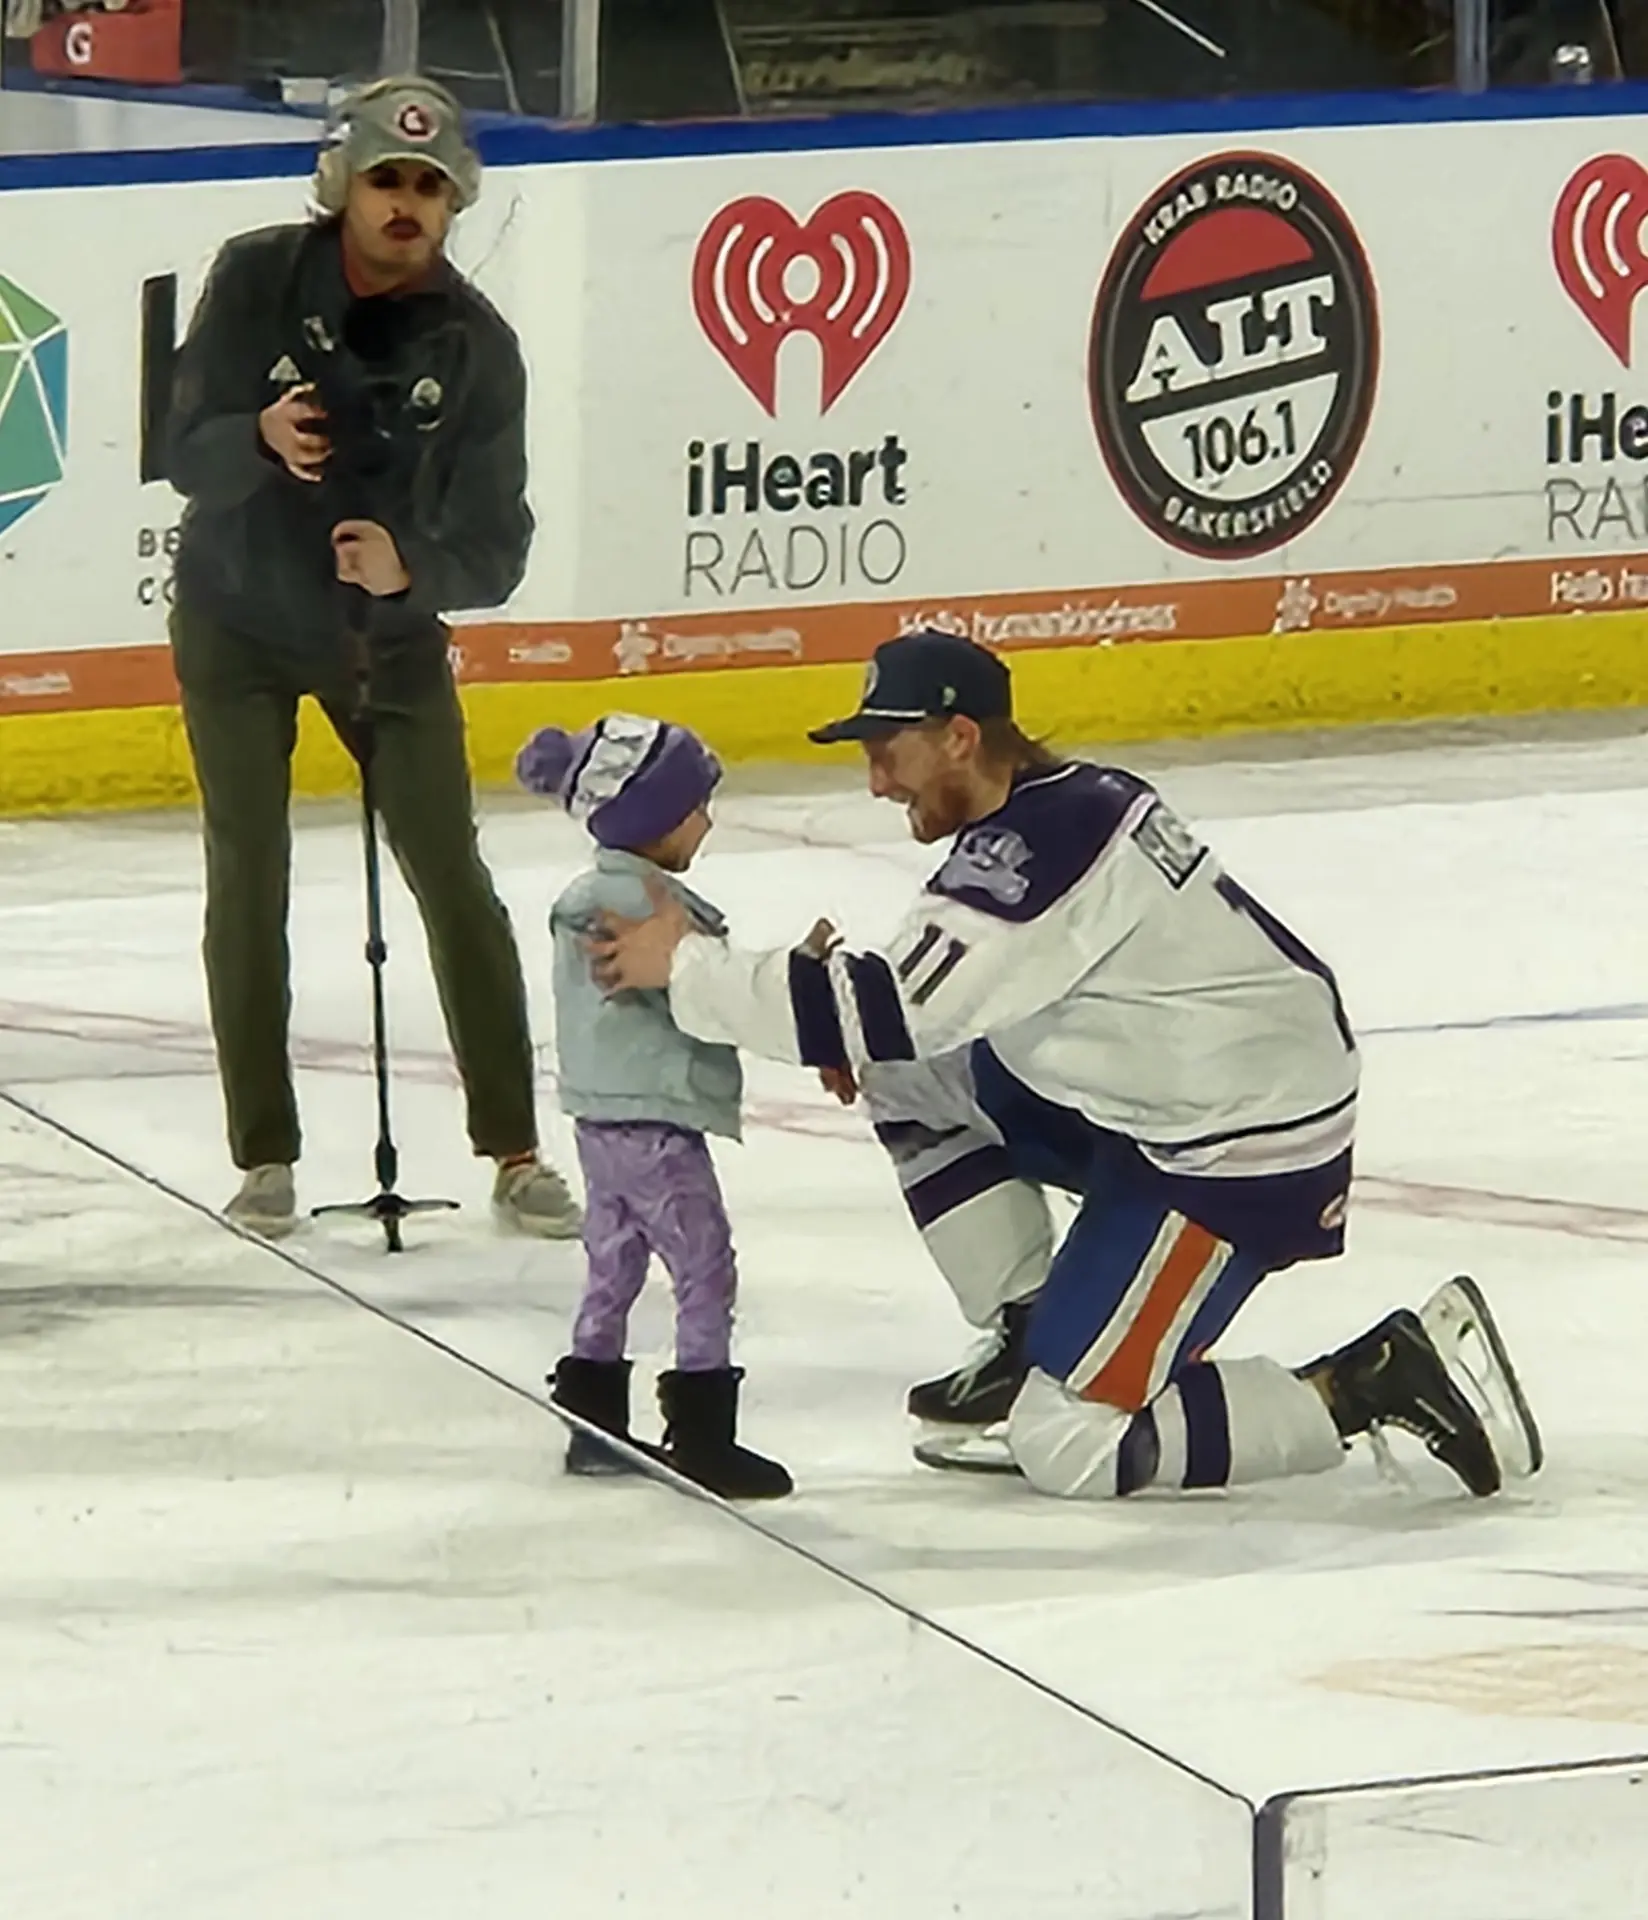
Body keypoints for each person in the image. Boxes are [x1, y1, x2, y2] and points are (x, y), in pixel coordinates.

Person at [586, 630, 1544, 1503]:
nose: (877, 781)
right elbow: (916, 1016)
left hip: (1231, 1161)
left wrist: (689, 968)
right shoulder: (1066, 802)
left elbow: (891, 1006)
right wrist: (845, 1015)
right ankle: (1031, 1324)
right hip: (1171, 1102)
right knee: (908, 1074)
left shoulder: (1046, 843)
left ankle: (1366, 1383)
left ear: (960, 736)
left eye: (889, 750)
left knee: (1069, 1441)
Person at [164, 75, 578, 1242]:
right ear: (342, 183)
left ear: (455, 205)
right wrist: (254, 437)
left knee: (450, 874)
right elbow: (180, 447)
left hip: (384, 642)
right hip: (235, 619)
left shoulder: (480, 349)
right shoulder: (257, 274)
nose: (406, 204)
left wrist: (411, 572)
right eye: (387, 180)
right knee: (248, 877)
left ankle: (515, 1149)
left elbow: (498, 547)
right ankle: (265, 1157)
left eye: (429, 187)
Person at [516, 715, 792, 1500]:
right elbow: (701, 985)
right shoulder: (632, 902)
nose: (707, 818)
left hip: (607, 1113)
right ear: (652, 816)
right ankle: (704, 1431)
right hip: (651, 1117)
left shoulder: (615, 893)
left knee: (617, 1260)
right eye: (696, 804)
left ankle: (594, 1416)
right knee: (704, 1268)